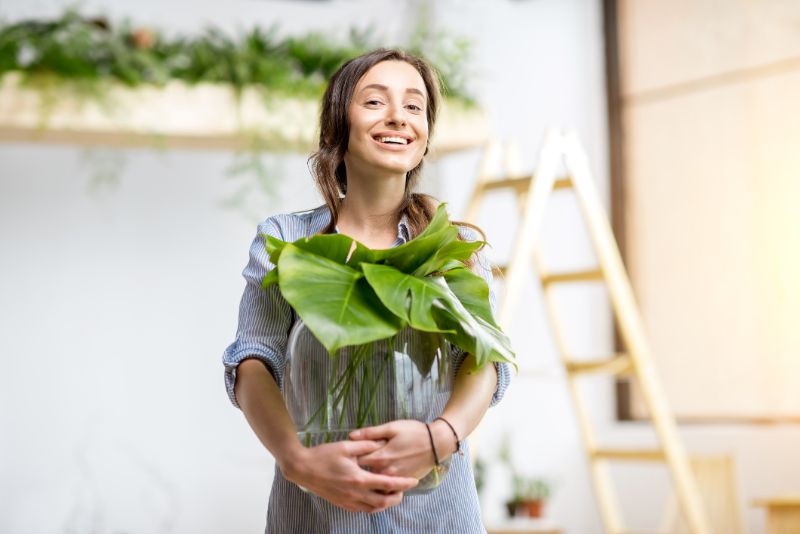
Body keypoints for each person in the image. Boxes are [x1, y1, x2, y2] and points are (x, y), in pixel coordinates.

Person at [222, 48, 511, 533]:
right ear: (339, 126)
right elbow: (253, 360)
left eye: (414, 106)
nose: (398, 116)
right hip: (316, 509)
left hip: (435, 513)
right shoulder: (287, 240)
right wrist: (297, 462)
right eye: (375, 102)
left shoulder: (451, 244)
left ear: (423, 139)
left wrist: (442, 437)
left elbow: (485, 357)